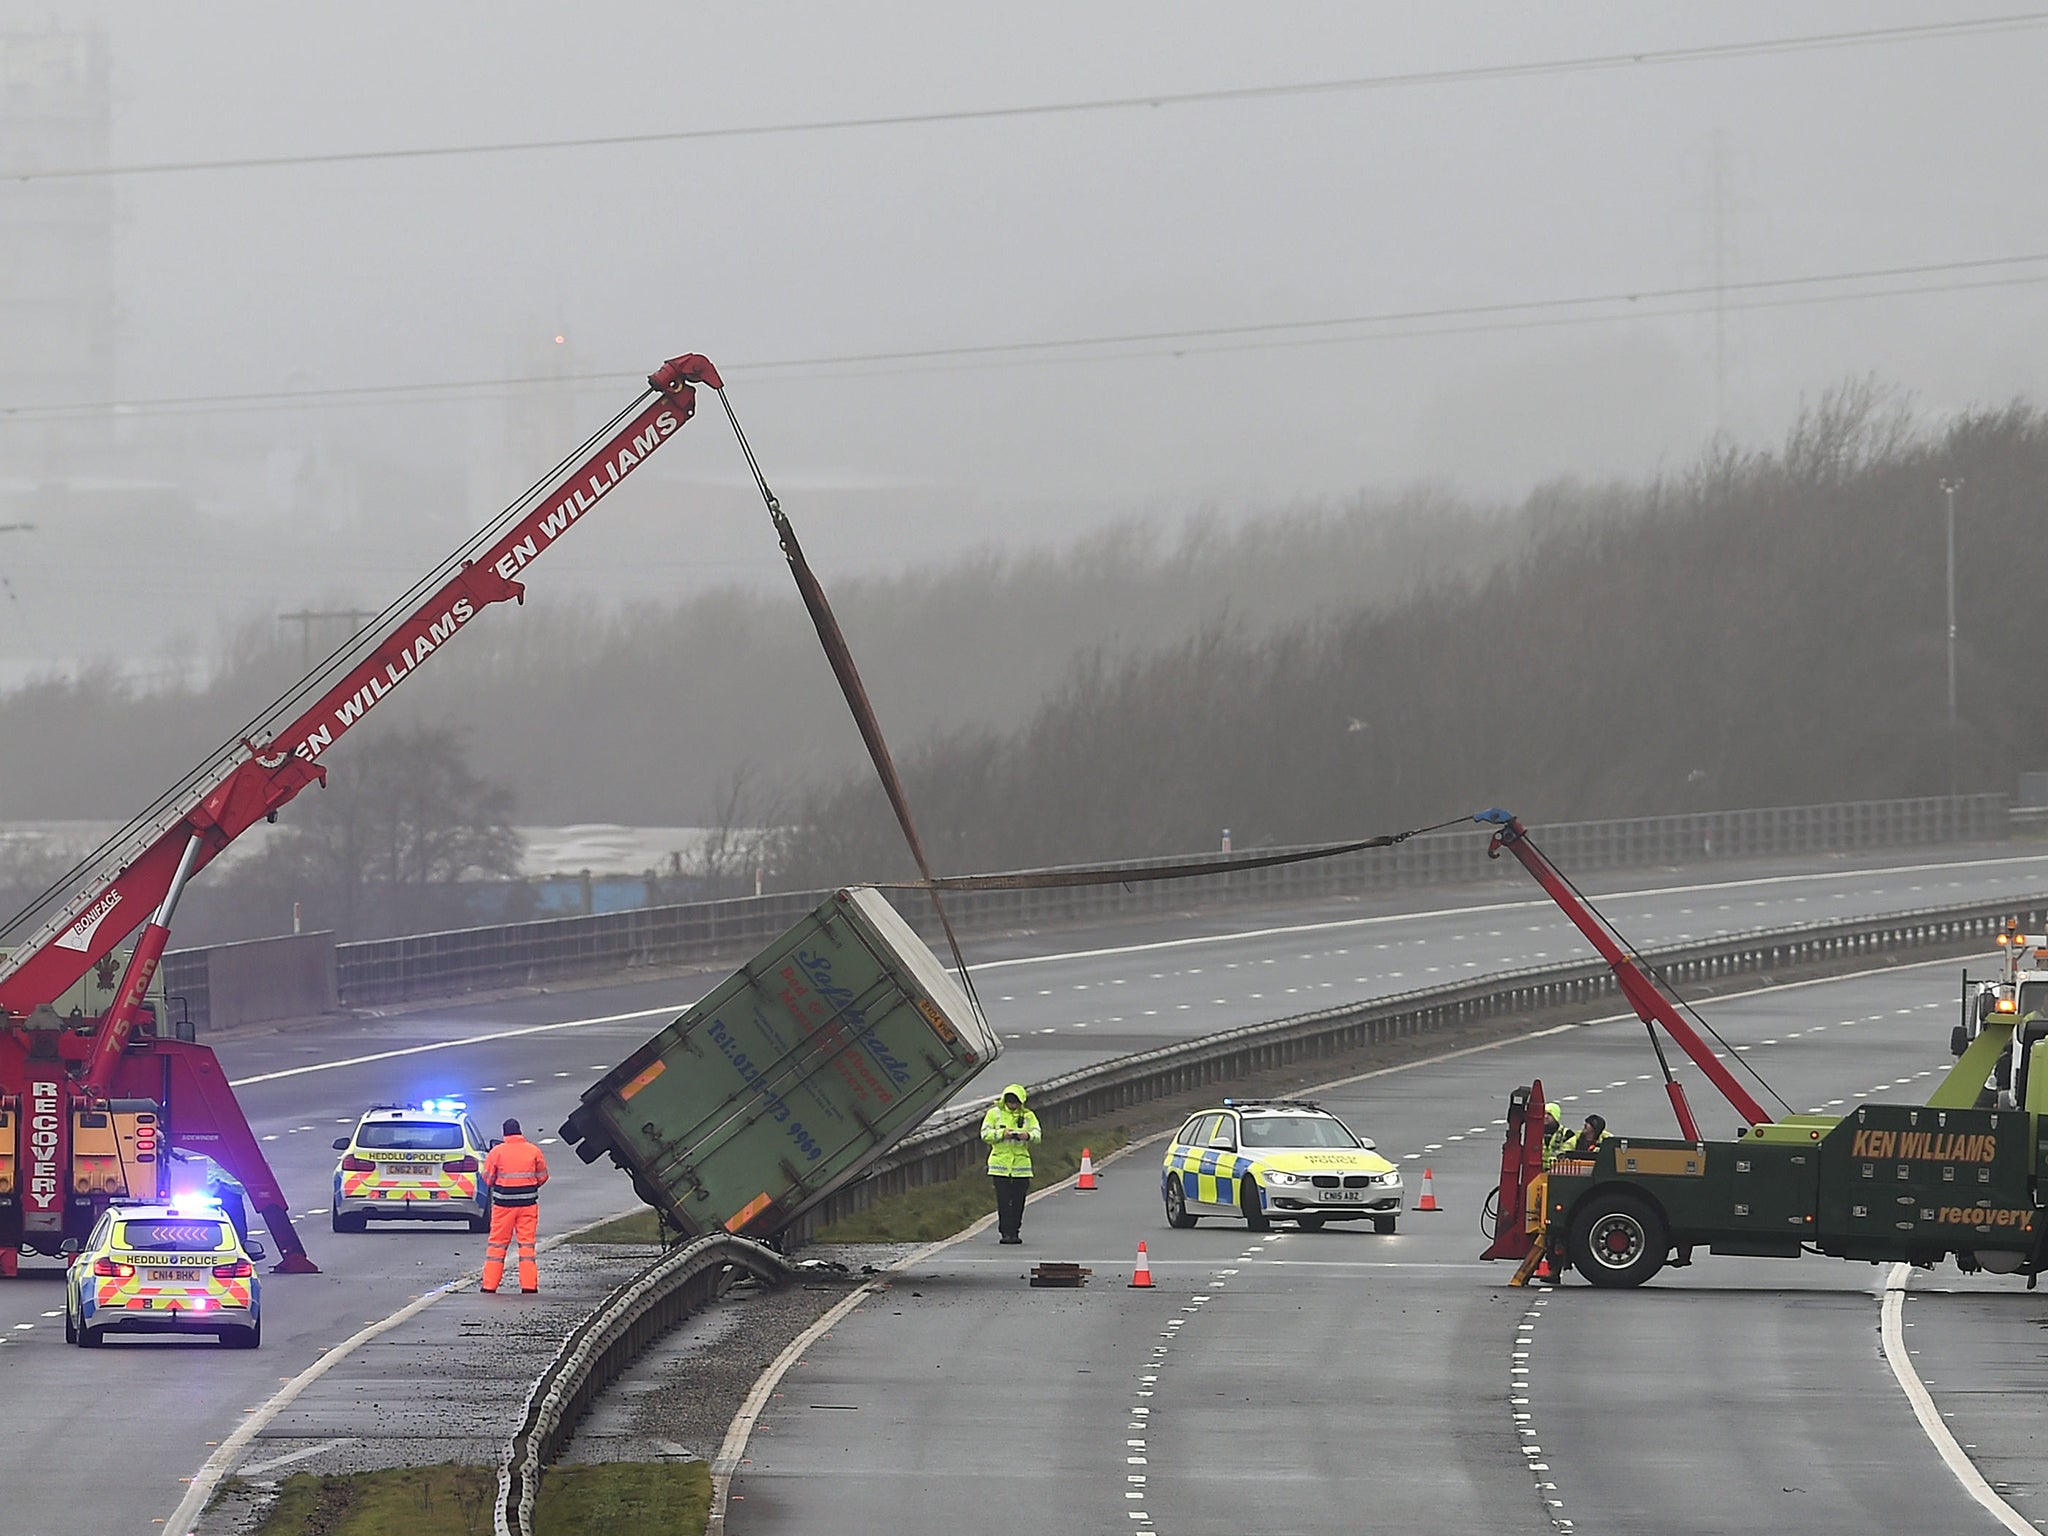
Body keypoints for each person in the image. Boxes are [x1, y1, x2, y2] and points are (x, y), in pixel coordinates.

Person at [481, 1117, 550, 1294]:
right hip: (528, 1206)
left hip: (503, 1207)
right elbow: (542, 1176)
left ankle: (490, 1285)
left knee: (497, 1245)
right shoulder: (533, 1151)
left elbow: (487, 1179)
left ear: (504, 1134)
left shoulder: (497, 1152)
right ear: (520, 1131)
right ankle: (529, 1285)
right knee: (526, 1246)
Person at [980, 1083, 1041, 1245]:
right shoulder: (994, 1114)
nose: (1012, 1105)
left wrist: (1026, 1136)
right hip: (1000, 1166)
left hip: (1021, 1167)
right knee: (1004, 1200)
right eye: (1010, 1102)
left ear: (1021, 1102)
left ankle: (1015, 1231)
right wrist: (1002, 1134)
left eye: (1015, 1102)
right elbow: (985, 1134)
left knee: (1018, 1201)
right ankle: (1006, 1232)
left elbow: (1038, 1135)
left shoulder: (1028, 1116)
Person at [1540, 1103, 1570, 1167]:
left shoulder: (1567, 1134)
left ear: (1556, 1117)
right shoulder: (1536, 1132)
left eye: (1549, 1114)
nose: (1545, 1116)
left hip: (1557, 1171)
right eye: (1544, 1113)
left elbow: (1565, 1154)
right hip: (1537, 1170)